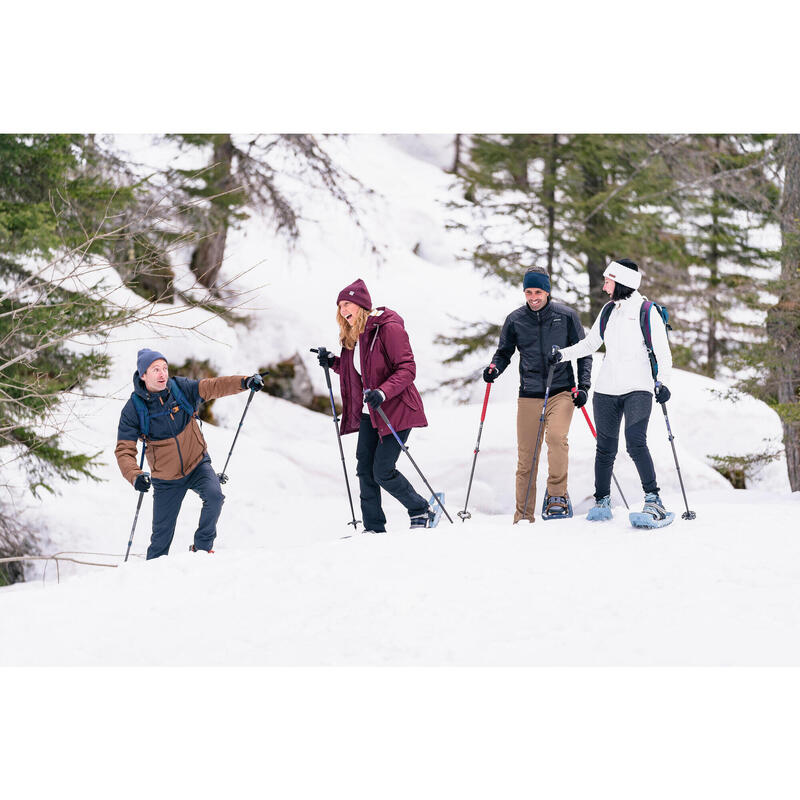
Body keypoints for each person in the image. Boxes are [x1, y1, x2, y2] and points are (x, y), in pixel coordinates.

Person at [550, 258, 673, 524]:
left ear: (622, 282)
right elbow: (590, 344)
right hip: (606, 390)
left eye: (608, 281)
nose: (605, 286)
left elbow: (664, 355)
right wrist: (561, 355)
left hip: (638, 388)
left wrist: (663, 383)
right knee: (605, 448)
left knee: (635, 441)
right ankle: (602, 501)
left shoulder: (646, 311)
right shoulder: (608, 311)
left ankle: (653, 499)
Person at [115, 348, 265, 558]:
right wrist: (135, 476)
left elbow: (212, 386)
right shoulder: (133, 409)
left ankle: (201, 550)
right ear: (143, 375)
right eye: (155, 369)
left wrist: (245, 382)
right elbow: (124, 450)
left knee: (215, 497)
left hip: (197, 464)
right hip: (166, 479)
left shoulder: (179, 389)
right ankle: (150, 579)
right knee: (160, 540)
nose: (162, 374)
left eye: (164, 368)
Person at [317, 278, 432, 532]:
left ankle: (420, 509)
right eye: (340, 306)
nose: (343, 310)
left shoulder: (388, 329)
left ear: (361, 305)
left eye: (347, 304)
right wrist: (333, 362)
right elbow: (357, 372)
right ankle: (373, 527)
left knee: (382, 470)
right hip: (372, 413)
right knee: (364, 470)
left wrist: (383, 391)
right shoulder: (352, 336)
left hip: (397, 409)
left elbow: (407, 369)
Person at [484, 267, 592, 523]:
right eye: (529, 292)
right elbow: (504, 352)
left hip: (561, 391)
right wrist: (494, 368)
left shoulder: (566, 316)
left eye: (538, 292)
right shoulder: (515, 319)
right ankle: (523, 514)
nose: (533, 297)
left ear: (547, 292)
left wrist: (583, 387)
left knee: (556, 439)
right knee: (527, 457)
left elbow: (584, 352)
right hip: (529, 393)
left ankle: (556, 497)